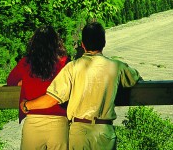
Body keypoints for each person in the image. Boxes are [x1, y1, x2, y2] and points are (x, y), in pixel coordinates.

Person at [20, 21, 141, 150]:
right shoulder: (117, 67)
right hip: (104, 130)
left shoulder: (72, 67)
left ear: (83, 44)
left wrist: (27, 105)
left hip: (79, 131)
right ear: (104, 43)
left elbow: (52, 98)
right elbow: (134, 77)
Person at [7, 25, 69, 150]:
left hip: (33, 121)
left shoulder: (26, 62)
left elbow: (10, 81)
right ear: (56, 43)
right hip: (60, 122)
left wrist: (24, 81)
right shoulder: (64, 62)